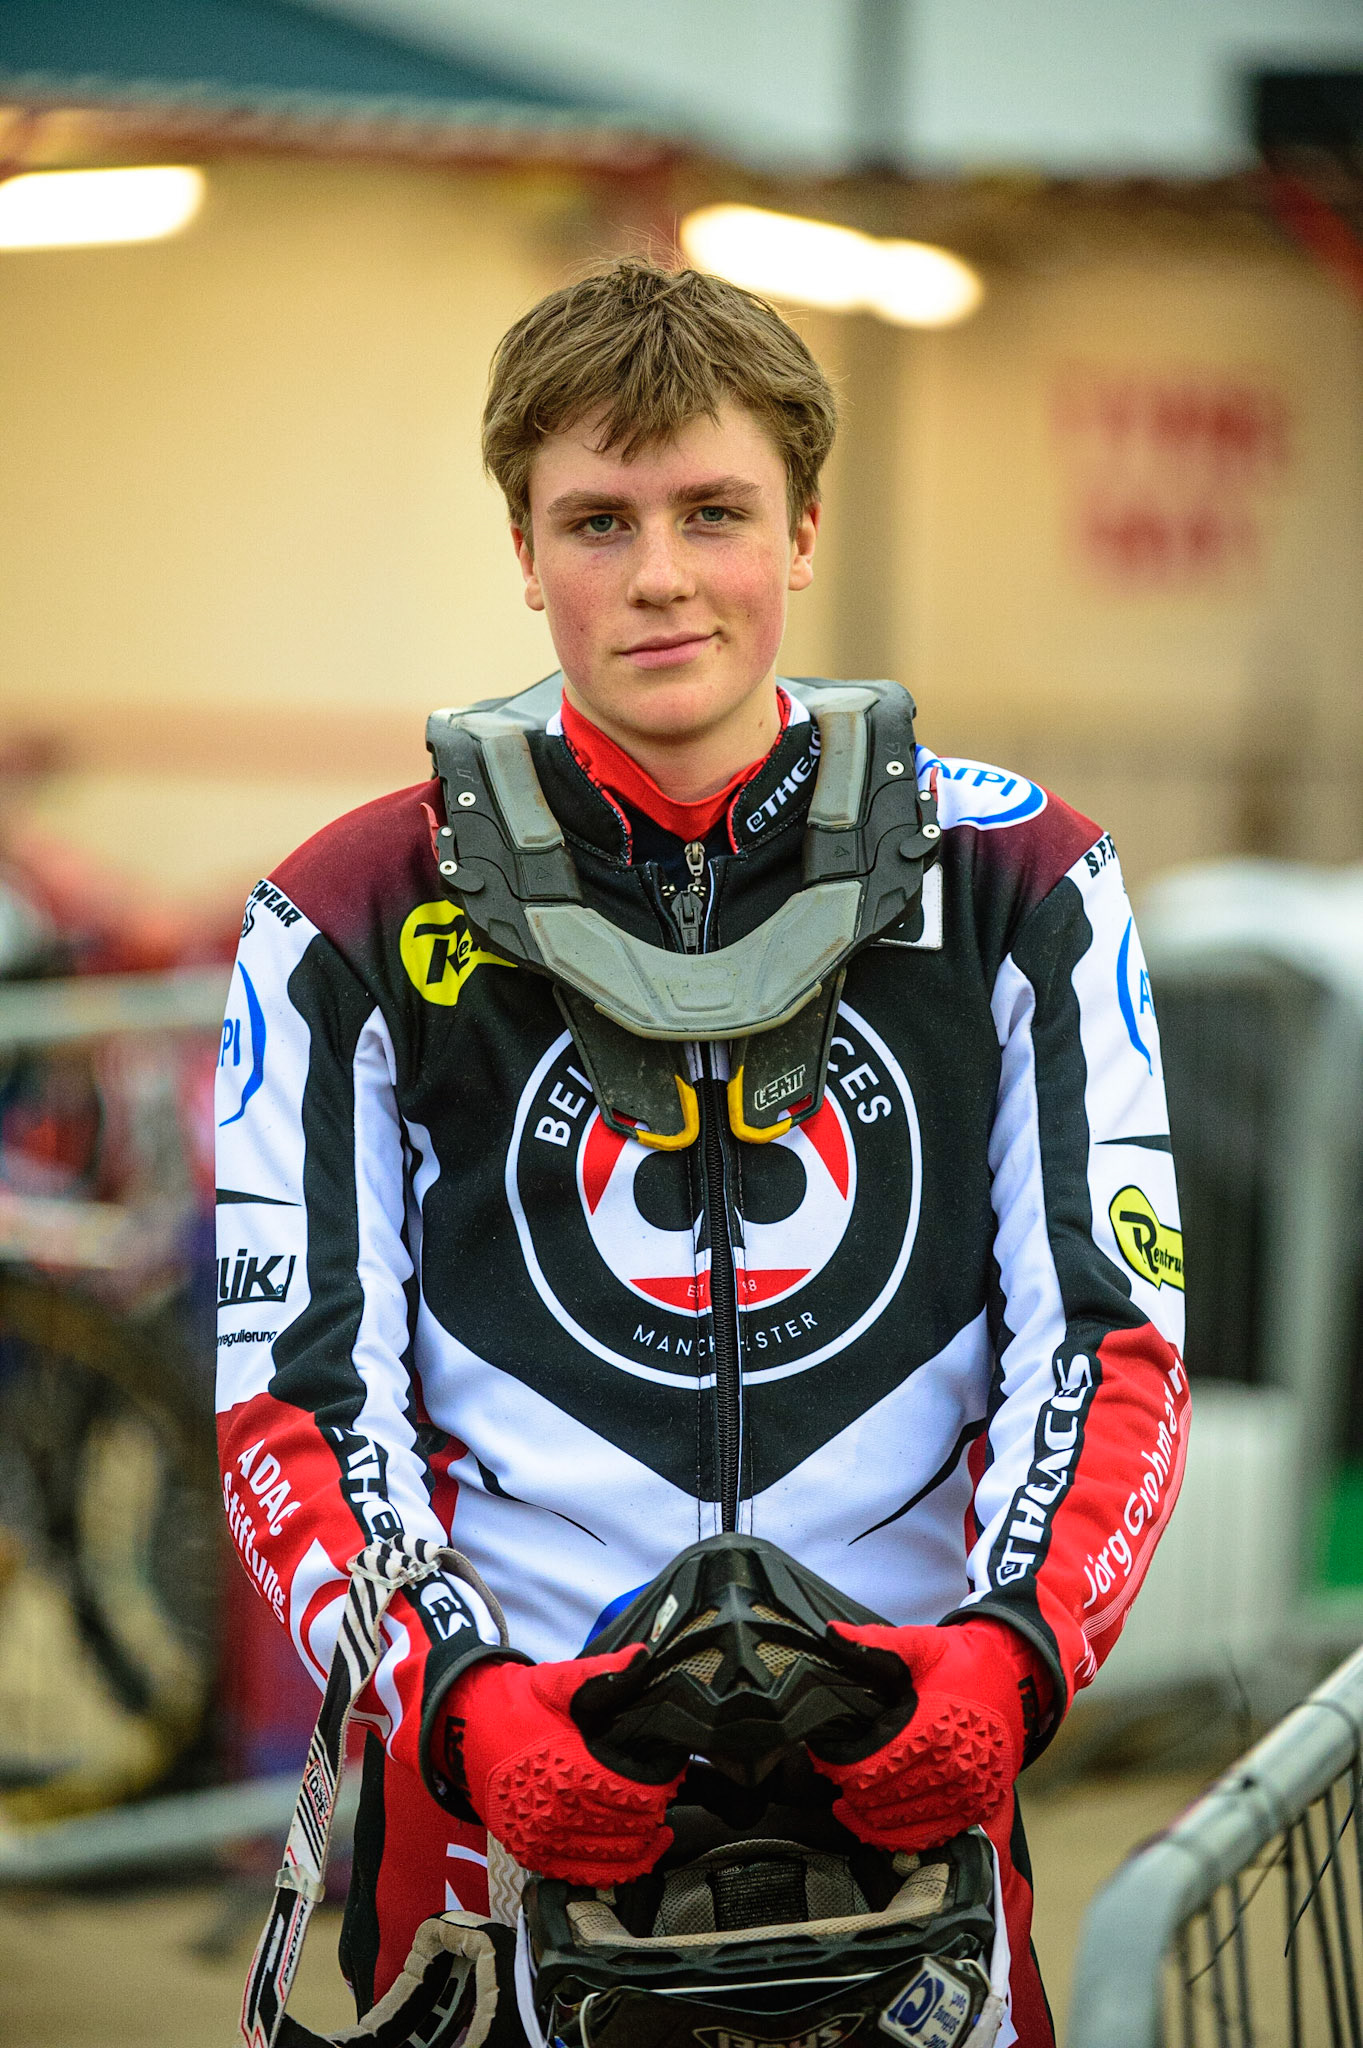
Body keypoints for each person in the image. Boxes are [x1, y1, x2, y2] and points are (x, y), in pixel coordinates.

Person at [216, 260, 1187, 2047]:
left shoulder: (1023, 880)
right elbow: (294, 1398)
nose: (658, 575)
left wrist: (1010, 1658)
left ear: (805, 528)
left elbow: (1112, 1344)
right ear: (522, 550)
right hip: (501, 1803)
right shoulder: (346, 906)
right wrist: (458, 1707)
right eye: (596, 519)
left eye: (713, 511)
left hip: (909, 1768)